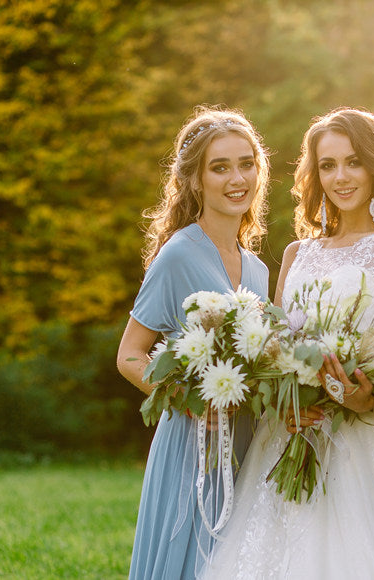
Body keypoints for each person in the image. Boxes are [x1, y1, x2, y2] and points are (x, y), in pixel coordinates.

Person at [204, 107, 374, 579]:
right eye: (327, 165)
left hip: (360, 438)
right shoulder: (296, 253)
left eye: (353, 162)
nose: (340, 177)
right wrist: (282, 400)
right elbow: (274, 345)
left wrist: (369, 394)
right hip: (287, 433)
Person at [116, 106, 271, 580]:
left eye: (246, 164)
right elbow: (129, 355)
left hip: (247, 440)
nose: (236, 178)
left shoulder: (259, 270)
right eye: (220, 167)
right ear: (196, 180)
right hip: (192, 443)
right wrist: (188, 403)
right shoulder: (179, 253)